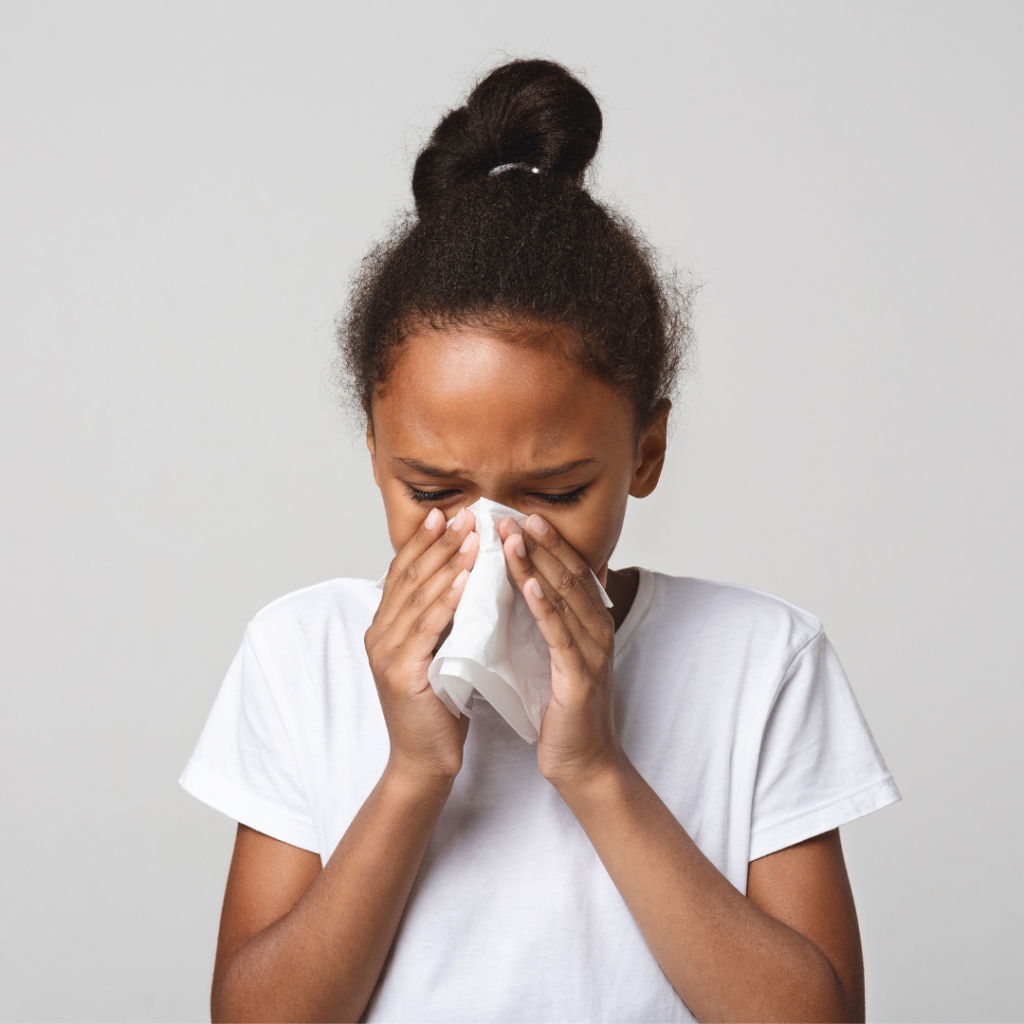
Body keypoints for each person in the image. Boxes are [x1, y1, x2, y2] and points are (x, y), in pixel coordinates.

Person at [180, 58, 899, 1024]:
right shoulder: (299, 654)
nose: (494, 536)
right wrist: (411, 773)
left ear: (645, 453)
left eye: (556, 491)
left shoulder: (760, 662)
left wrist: (595, 768)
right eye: (432, 488)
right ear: (374, 449)